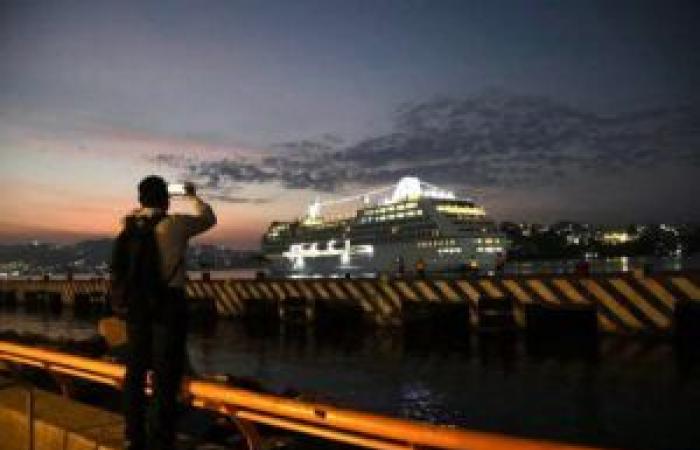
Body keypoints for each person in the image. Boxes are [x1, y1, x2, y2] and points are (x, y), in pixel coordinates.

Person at [119, 176, 216, 450]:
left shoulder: (126, 226)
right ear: (165, 198)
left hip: (137, 307)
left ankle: (133, 436)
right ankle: (160, 438)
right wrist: (192, 196)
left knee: (135, 372)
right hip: (168, 305)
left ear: (140, 199)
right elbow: (208, 218)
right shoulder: (174, 225)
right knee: (166, 373)